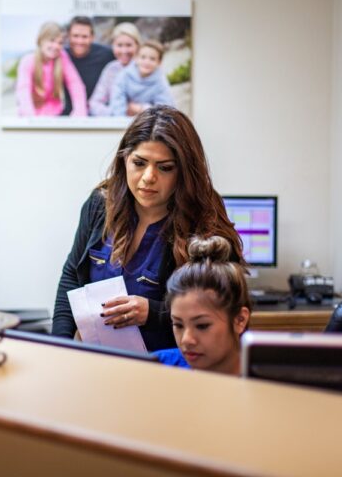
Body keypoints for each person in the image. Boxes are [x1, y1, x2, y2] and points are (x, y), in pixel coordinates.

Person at [52, 106, 245, 352]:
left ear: (184, 172)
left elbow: (218, 311)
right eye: (139, 163)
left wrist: (153, 312)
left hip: (170, 367)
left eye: (165, 167)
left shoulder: (204, 223)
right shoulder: (101, 204)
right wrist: (58, 344)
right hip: (100, 361)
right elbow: (72, 275)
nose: (148, 177)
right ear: (124, 159)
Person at [154, 235, 252, 375]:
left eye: (202, 326)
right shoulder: (157, 367)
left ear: (239, 320)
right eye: (178, 325)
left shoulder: (269, 384)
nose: (186, 340)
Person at [16, 21, 87, 117]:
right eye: (52, 40)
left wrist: (80, 112)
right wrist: (31, 120)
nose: (56, 46)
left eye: (60, 43)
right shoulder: (28, 61)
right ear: (41, 40)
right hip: (31, 114)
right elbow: (23, 91)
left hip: (55, 115)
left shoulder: (62, 57)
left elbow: (75, 84)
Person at [61, 16, 115, 115]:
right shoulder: (62, 56)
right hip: (68, 114)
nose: (80, 41)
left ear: (92, 37)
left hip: (98, 114)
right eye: (75, 36)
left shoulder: (106, 54)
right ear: (68, 36)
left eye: (84, 36)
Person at [110, 40, 174, 117]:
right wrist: (120, 119)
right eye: (143, 57)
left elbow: (165, 110)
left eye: (152, 59)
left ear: (159, 63)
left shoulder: (160, 82)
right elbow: (117, 101)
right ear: (136, 58)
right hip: (124, 120)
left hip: (149, 122)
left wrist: (141, 108)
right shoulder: (124, 75)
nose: (147, 62)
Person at [89, 22, 141, 116]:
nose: (124, 51)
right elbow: (94, 103)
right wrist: (113, 114)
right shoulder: (111, 69)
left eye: (129, 45)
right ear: (113, 46)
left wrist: (140, 109)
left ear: (137, 45)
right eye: (119, 45)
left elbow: (162, 104)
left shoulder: (146, 67)